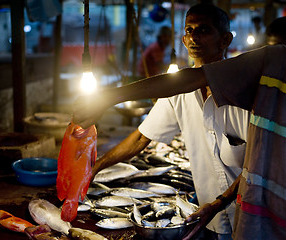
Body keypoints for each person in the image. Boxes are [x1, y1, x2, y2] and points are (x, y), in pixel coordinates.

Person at [73, 0, 286, 239]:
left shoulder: (261, 88)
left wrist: (220, 203)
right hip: (242, 224)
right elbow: (184, 88)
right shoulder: (275, 65)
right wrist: (106, 104)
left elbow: (254, 161)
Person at [89, 4, 248, 239]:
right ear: (183, 40)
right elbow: (142, 137)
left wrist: (219, 204)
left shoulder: (246, 90)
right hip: (209, 218)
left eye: (203, 30)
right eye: (189, 30)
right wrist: (96, 167)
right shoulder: (177, 92)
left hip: (250, 214)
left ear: (225, 39)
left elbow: (256, 162)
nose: (194, 37)